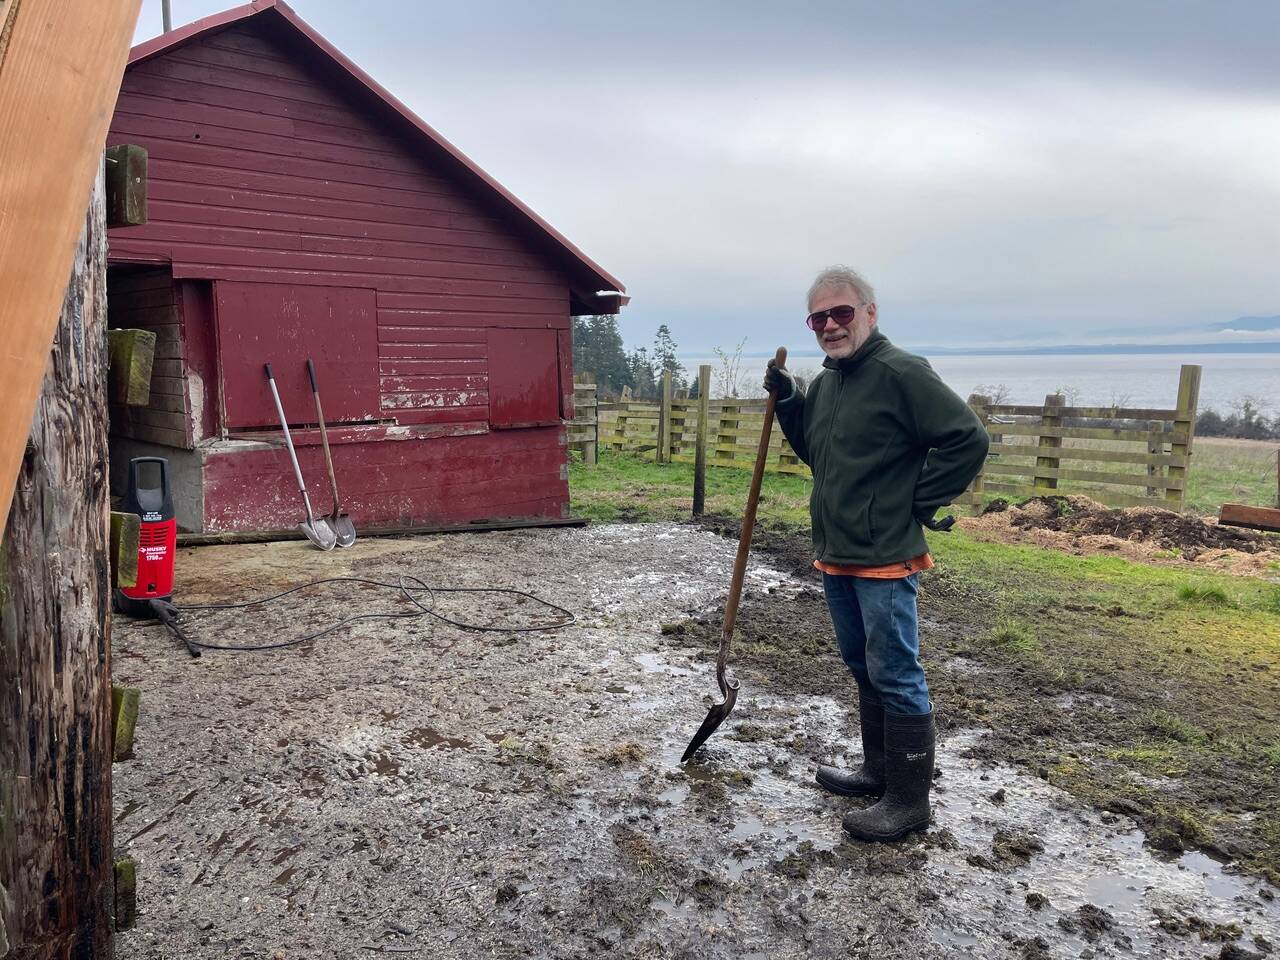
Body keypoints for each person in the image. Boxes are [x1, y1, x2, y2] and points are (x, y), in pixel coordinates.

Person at [764, 265, 989, 842]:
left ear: (870, 311)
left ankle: (910, 804)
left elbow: (968, 437)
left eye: (842, 312)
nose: (830, 326)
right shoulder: (833, 381)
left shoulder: (901, 372)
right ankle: (878, 773)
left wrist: (916, 502)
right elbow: (818, 451)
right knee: (864, 666)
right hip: (837, 550)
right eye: (819, 318)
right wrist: (790, 398)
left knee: (896, 672)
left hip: (884, 556)